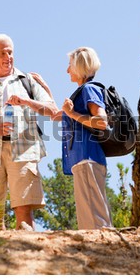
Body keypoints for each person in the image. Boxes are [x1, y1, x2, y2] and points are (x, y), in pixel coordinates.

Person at [0, 33, 57, 230]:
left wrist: (26, 101)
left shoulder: (28, 81)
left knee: (23, 209)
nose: (8, 56)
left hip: (23, 151)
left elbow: (52, 111)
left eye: (10, 52)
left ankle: (26, 255)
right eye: (2, 53)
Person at [35, 46, 113, 230]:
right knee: (89, 217)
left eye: (70, 65)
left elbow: (101, 121)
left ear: (79, 67)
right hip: (83, 160)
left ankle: (104, 252)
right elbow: (55, 114)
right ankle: (98, 253)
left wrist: (72, 114)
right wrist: (42, 89)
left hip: (88, 158)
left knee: (95, 218)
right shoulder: (80, 94)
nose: (67, 69)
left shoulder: (89, 90)